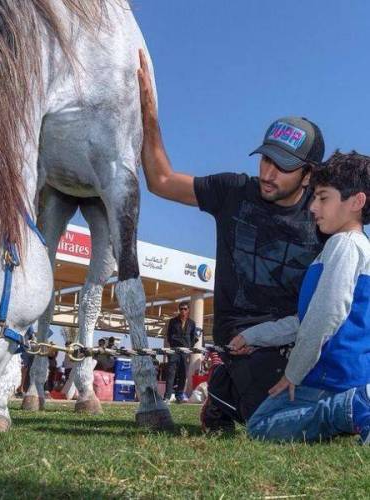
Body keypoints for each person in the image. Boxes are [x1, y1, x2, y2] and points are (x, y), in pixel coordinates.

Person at [137, 50, 326, 431]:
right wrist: (148, 114)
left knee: (324, 392)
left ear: (308, 175)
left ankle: (226, 390)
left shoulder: (323, 214)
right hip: (241, 336)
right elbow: (161, 180)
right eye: (266, 159)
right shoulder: (234, 191)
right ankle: (224, 392)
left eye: (284, 166)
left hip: (295, 332)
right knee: (278, 419)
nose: (269, 173)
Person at [230, 151, 370, 444]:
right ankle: (349, 417)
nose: (312, 207)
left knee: (260, 427)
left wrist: (293, 373)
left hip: (330, 378)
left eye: (322, 198)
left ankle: (352, 409)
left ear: (356, 202)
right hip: (342, 375)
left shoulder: (343, 245)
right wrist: (255, 336)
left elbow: (325, 317)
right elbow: (305, 319)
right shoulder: (353, 248)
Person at [164, 301, 197, 403]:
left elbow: (193, 337)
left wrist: (188, 347)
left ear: (188, 310)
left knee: (183, 374)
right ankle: (167, 397)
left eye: (185, 309)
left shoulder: (192, 323)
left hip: (185, 352)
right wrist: (173, 345)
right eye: (181, 309)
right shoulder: (173, 321)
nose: (183, 311)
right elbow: (169, 335)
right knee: (171, 373)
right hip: (174, 351)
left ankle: (179, 396)